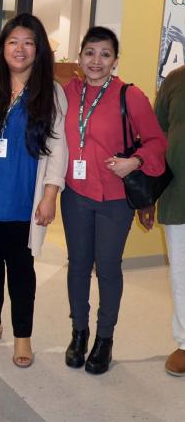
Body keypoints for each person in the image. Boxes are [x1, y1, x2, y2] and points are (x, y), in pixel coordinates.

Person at [0, 13, 68, 368]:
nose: (20, 49)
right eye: (13, 42)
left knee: (21, 269)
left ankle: (23, 335)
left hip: (23, 198)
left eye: (28, 43)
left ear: (39, 50)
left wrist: (50, 193)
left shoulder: (51, 92)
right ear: (2, 47)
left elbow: (58, 147)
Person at [62, 26, 167, 375]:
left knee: (107, 268)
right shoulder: (68, 92)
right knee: (77, 265)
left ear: (115, 60)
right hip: (75, 194)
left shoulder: (129, 95)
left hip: (114, 198)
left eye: (105, 54)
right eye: (90, 52)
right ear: (79, 57)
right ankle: (79, 332)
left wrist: (134, 162)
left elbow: (155, 141)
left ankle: (104, 338)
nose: (96, 60)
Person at [138, 65, 185, 376]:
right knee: (181, 272)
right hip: (178, 195)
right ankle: (184, 342)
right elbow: (156, 139)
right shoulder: (175, 80)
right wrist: (147, 196)